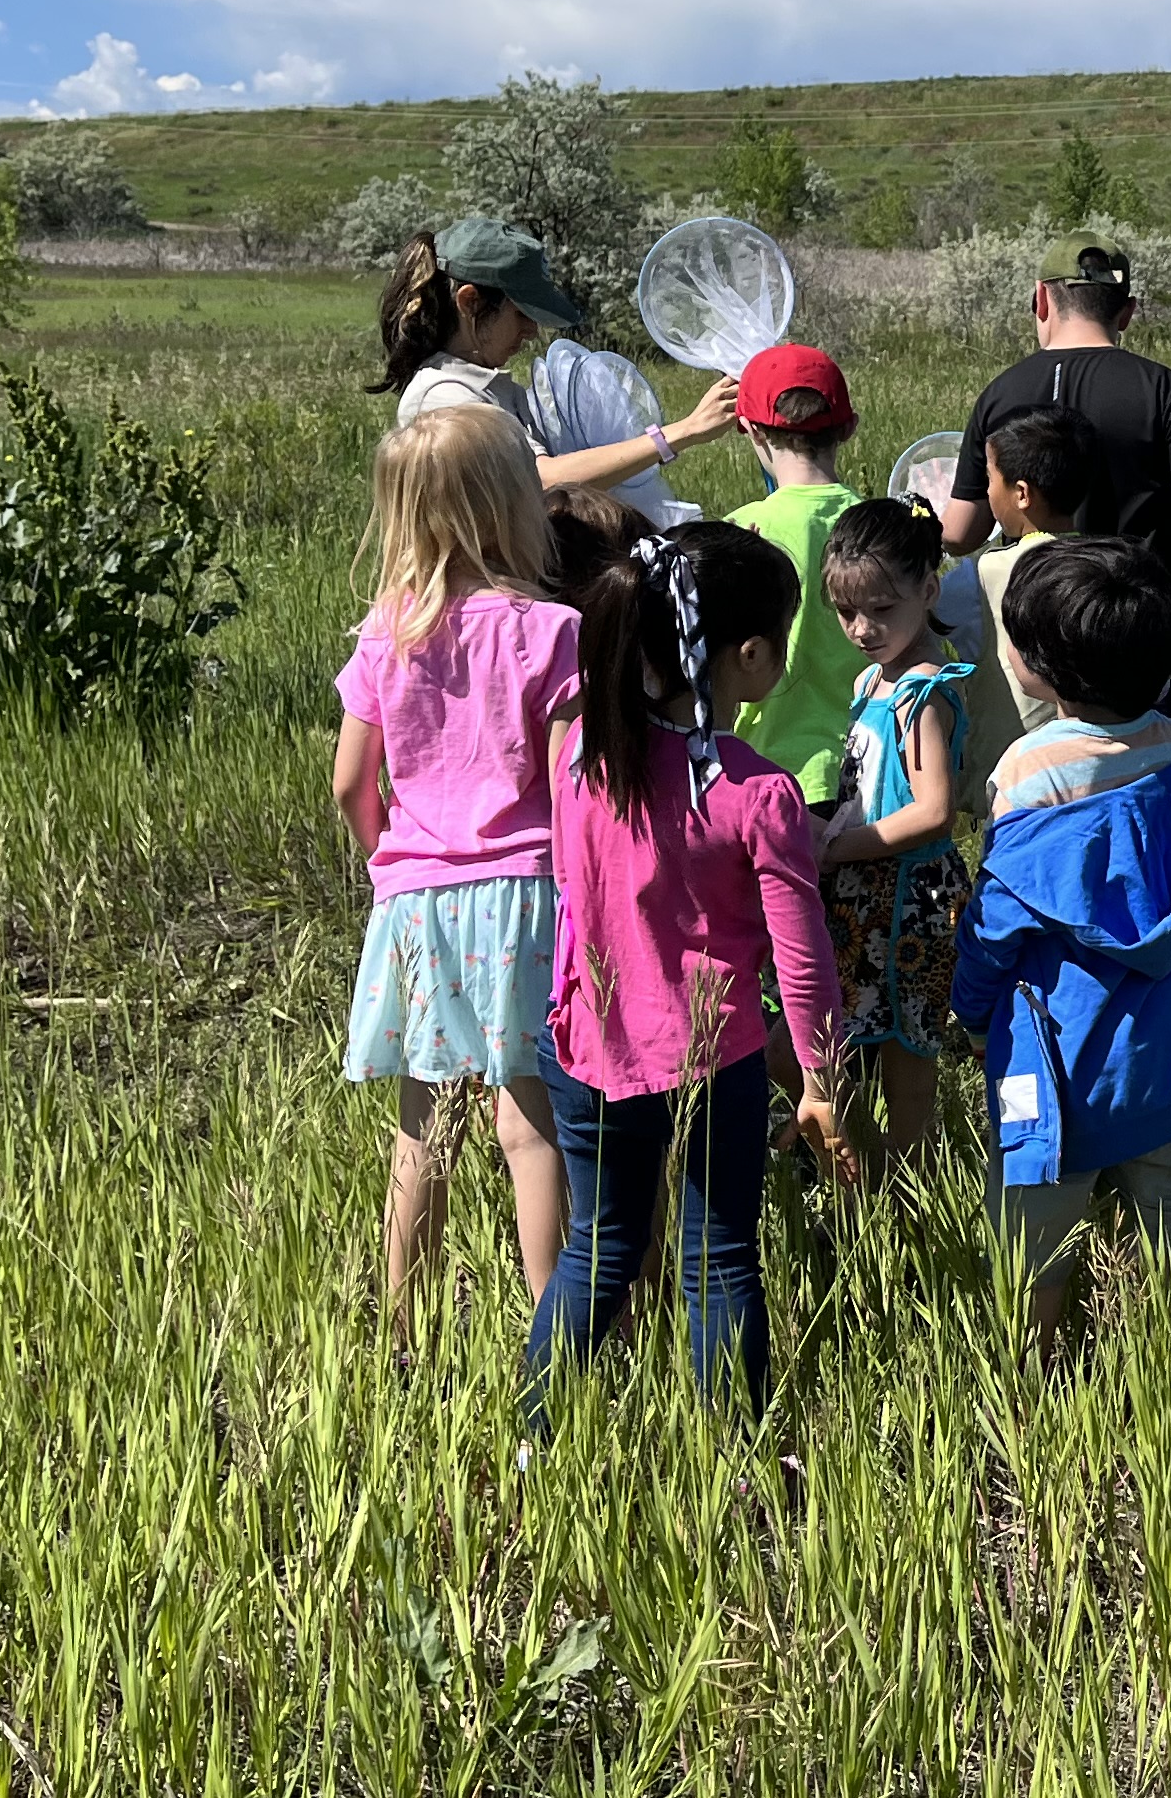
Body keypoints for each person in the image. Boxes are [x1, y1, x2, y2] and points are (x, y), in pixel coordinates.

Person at [530, 522, 855, 1425]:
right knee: (720, 1258)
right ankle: (738, 1460)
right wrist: (822, 1080)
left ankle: (533, 1441)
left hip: (584, 1037)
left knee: (597, 1248)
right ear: (748, 653)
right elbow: (802, 957)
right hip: (716, 1053)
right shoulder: (759, 793)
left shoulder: (586, 762)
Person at [953, 537, 1171, 1362]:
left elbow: (999, 920)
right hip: (1166, 1038)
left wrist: (969, 1009)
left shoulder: (1027, 771)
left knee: (1033, 1224)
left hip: (1050, 1054)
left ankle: (1036, 1379)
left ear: (1035, 669)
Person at [328, 404, 576, 1348]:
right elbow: (566, 785)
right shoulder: (550, 630)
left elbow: (353, 780)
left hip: (416, 896)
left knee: (423, 1127)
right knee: (530, 1119)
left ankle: (404, 1332)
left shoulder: (384, 635)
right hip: (527, 891)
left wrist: (390, 859)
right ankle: (555, 1329)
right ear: (512, 503)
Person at [936, 234, 1171, 739]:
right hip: (1153, 634)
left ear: (1042, 299)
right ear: (1126, 312)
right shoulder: (1160, 387)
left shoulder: (1000, 394)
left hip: (1045, 642)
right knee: (1163, 790)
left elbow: (960, 531)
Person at [815, 495, 974, 1179]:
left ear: (928, 590)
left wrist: (831, 848)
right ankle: (868, 1184)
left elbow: (935, 810)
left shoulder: (924, 690)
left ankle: (911, 1198)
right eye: (848, 612)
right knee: (846, 1049)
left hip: (912, 899)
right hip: (861, 897)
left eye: (881, 610)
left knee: (908, 1065)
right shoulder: (871, 681)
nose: (862, 628)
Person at [375, 216, 737, 497]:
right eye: (521, 314)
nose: (531, 330)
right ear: (469, 302)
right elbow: (542, 481)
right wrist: (682, 432)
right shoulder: (444, 398)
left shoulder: (486, 386)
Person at [734, 343, 867, 812]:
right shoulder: (878, 526)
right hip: (866, 769)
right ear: (848, 428)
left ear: (749, 429)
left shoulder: (739, 532)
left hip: (759, 772)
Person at [944, 405, 1088, 791]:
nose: (987, 491)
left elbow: (929, 614)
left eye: (990, 479)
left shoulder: (983, 574)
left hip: (1009, 772)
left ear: (1021, 494)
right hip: (1089, 768)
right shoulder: (1105, 563)